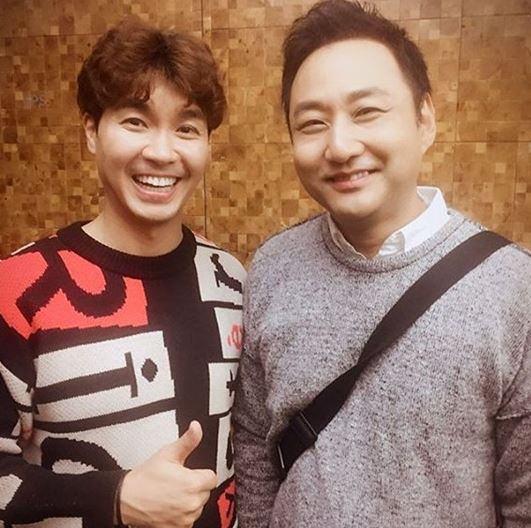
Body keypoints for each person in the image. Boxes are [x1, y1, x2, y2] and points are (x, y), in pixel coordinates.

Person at [232, 1, 531, 527]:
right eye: (312, 123)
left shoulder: (511, 288)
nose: (340, 145)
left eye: (367, 112)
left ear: (424, 120)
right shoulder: (273, 268)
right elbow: (255, 446)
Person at [0, 16, 245, 528]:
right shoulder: (18, 288)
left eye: (187, 128)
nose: (162, 152)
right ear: (92, 131)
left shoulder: (230, 280)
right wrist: (113, 497)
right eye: (136, 121)